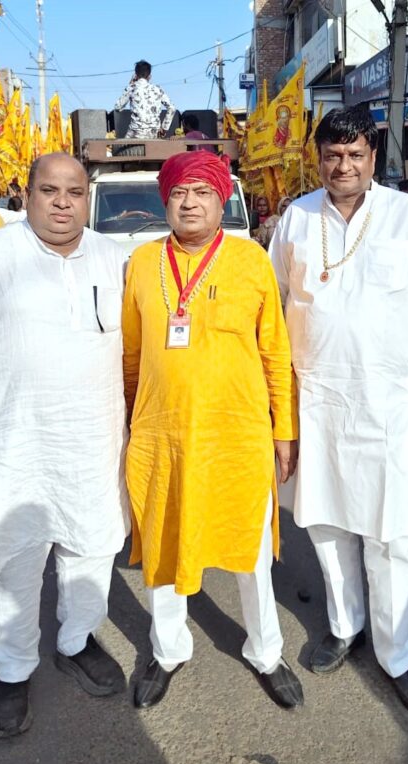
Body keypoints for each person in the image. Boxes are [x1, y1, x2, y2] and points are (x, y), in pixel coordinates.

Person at [0, 153, 131, 737]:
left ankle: (75, 640)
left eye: (74, 192)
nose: (62, 202)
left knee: (91, 548)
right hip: (12, 444)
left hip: (94, 441)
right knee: (14, 560)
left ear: (86, 198)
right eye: (49, 190)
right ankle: (13, 671)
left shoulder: (114, 259)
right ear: (30, 195)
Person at [269, 106, 408, 718]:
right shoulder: (296, 219)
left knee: (389, 534)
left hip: (384, 401)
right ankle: (344, 625)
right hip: (317, 398)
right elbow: (271, 309)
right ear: (318, 157)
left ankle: (396, 655)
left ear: (372, 158)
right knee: (325, 524)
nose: (343, 165)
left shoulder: (406, 216)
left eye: (354, 155)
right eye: (332, 155)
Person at [122, 151, 304, 711]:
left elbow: (275, 350)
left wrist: (284, 427)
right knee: (164, 539)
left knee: (248, 547)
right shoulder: (141, 261)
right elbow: (130, 352)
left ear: (221, 200)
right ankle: (168, 648)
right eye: (179, 192)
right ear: (166, 201)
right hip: (162, 432)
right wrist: (130, 420)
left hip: (238, 436)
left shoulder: (249, 261)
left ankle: (266, 652)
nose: (190, 202)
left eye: (202, 191)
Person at [114, 59, 176, 139]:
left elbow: (117, 107)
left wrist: (130, 85)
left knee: (121, 150)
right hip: (154, 133)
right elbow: (172, 108)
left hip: (135, 132)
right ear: (149, 76)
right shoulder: (157, 89)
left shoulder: (131, 88)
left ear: (136, 75)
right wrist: (164, 128)